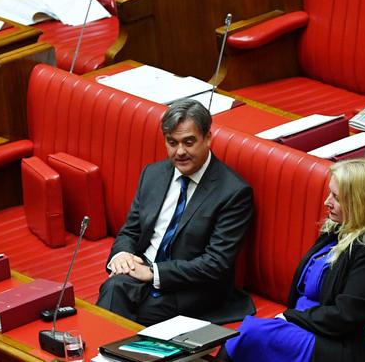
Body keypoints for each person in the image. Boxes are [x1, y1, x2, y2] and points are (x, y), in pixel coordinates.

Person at [221, 158, 365, 362]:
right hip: (315, 326)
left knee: (251, 333)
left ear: (359, 202)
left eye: (336, 197)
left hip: (346, 344)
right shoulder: (340, 227)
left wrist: (290, 317)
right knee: (248, 335)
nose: (326, 201)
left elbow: (347, 315)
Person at [96, 98, 254, 326]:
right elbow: (130, 232)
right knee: (114, 288)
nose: (180, 152)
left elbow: (216, 264)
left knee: (131, 309)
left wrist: (154, 273)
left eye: (189, 142)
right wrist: (121, 257)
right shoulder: (153, 174)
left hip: (193, 289)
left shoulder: (233, 192)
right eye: (172, 142)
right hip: (141, 274)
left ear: (208, 138)